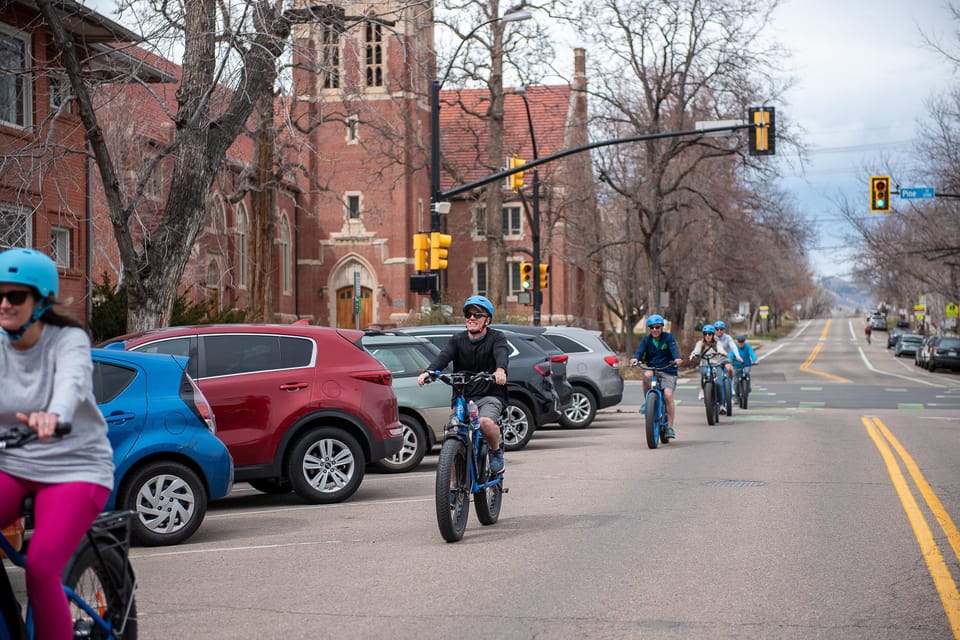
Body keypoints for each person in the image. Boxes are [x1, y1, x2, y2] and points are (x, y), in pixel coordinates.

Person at [0, 248, 115, 640]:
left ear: (40, 300)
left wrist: (54, 414)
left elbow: (72, 381)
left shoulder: (68, 340)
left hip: (76, 467)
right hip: (14, 463)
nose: (4, 303)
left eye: (15, 296)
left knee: (42, 566)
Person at [417, 295, 508, 473]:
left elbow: (501, 355)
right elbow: (444, 356)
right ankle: (451, 490)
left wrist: (500, 371)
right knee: (452, 435)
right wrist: (429, 371)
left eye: (477, 314)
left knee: (485, 423)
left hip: (489, 395)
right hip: (463, 397)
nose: (472, 318)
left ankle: (495, 451)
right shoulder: (458, 339)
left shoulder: (497, 338)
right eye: (468, 314)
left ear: (487, 320)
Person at [629, 314, 683, 439]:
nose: (655, 330)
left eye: (657, 327)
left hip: (668, 369)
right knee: (646, 375)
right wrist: (635, 359)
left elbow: (674, 349)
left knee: (668, 395)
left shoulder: (668, 338)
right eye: (652, 327)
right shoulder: (646, 340)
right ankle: (647, 402)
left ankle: (670, 427)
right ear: (649, 328)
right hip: (652, 368)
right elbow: (639, 351)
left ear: (662, 327)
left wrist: (676, 359)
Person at [690, 324, 727, 401]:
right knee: (704, 375)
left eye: (709, 334)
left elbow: (720, 349)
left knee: (719, 384)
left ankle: (721, 405)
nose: (707, 336)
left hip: (716, 365)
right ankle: (702, 390)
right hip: (704, 364)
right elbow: (696, 350)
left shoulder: (717, 343)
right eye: (705, 334)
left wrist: (723, 352)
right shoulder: (700, 343)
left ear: (713, 335)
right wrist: (693, 355)